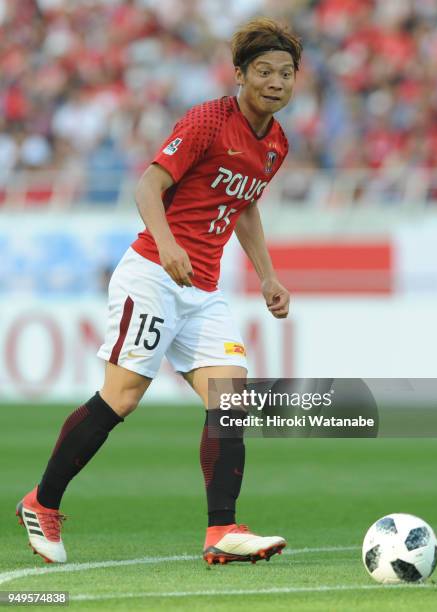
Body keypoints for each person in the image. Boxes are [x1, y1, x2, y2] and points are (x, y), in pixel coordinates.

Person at [16, 17, 302, 566]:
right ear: (240, 74)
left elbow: (242, 204)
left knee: (230, 401)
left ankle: (222, 530)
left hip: (203, 288)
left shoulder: (276, 144)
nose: (276, 82)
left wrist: (267, 273)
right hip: (153, 273)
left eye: (286, 73)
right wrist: (167, 244)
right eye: (264, 71)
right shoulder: (207, 119)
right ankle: (42, 502)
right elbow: (149, 183)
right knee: (121, 396)